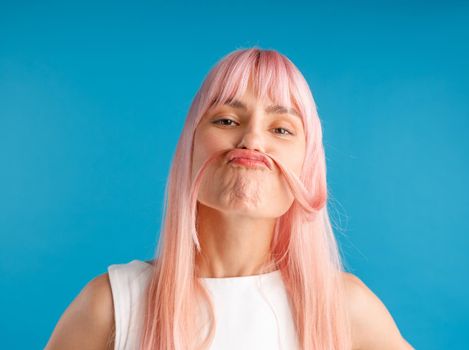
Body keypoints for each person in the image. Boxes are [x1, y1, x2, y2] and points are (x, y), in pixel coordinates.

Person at [45, 47, 414, 350]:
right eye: (226, 120)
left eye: (281, 129)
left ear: (309, 168)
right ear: (189, 149)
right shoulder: (110, 305)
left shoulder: (345, 309)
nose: (252, 140)